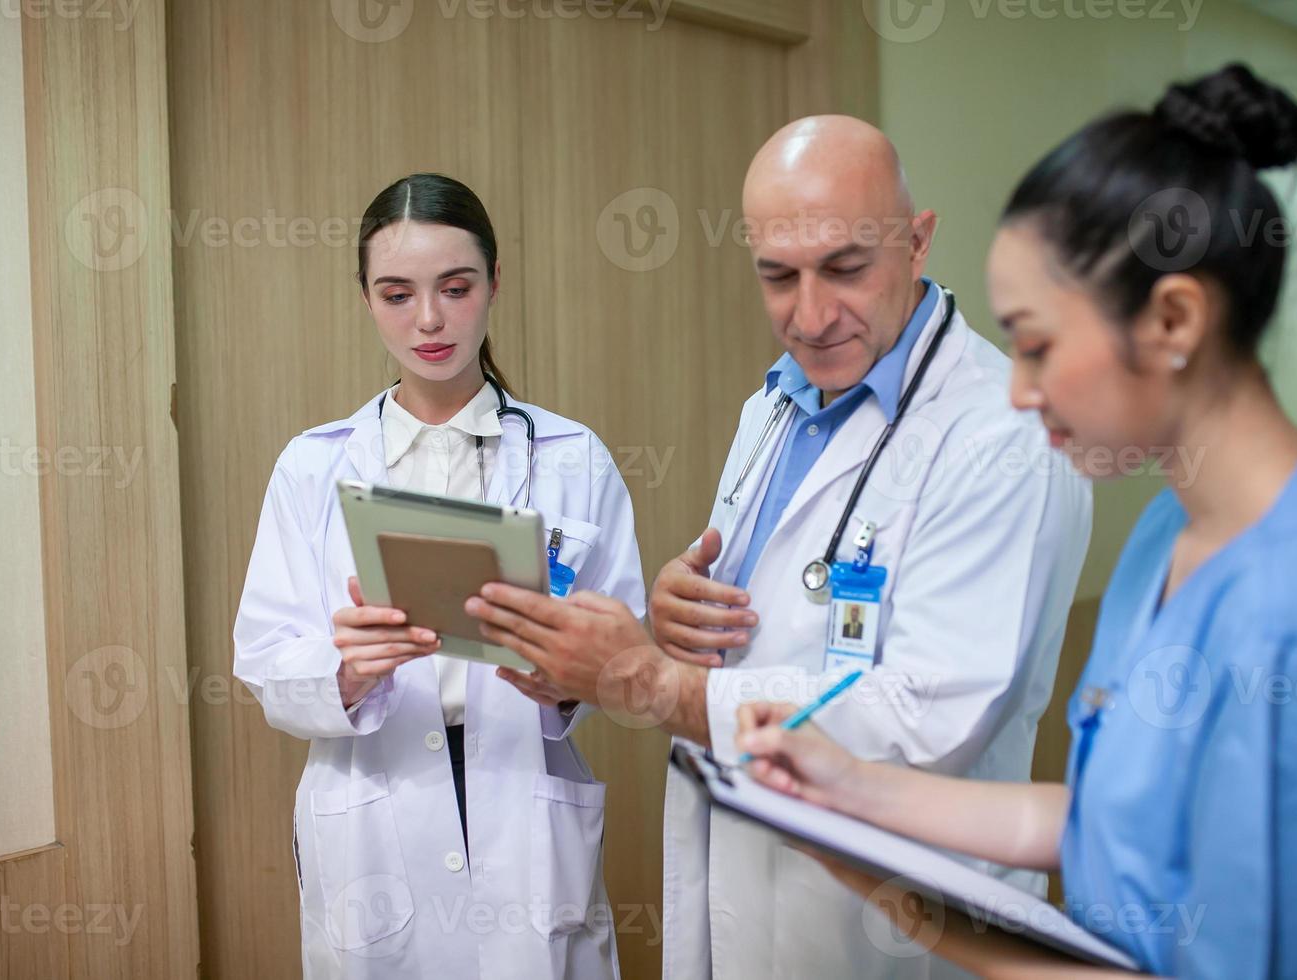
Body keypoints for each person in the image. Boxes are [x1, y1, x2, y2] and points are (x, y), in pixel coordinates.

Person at [732, 65, 1297, 979]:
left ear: (1174, 318)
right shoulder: (1168, 539)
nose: (1018, 390)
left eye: (1038, 345)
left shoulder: (1295, 607)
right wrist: (850, 792)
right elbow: (1095, 822)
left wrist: (920, 910)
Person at [463, 117, 1093, 977]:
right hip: (744, 876)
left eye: (844, 268)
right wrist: (672, 618)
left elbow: (924, 722)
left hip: (893, 925)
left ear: (917, 242)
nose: (810, 315)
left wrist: (650, 681)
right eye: (777, 276)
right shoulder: (774, 407)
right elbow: (781, 620)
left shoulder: (1003, 435)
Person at [233, 173, 645, 979]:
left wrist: (563, 678)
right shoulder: (313, 467)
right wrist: (346, 672)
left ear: (495, 284)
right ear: (366, 299)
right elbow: (265, 656)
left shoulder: (571, 459)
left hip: (521, 789)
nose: (429, 320)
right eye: (397, 294)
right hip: (376, 797)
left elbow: (629, 656)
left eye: (455, 288)